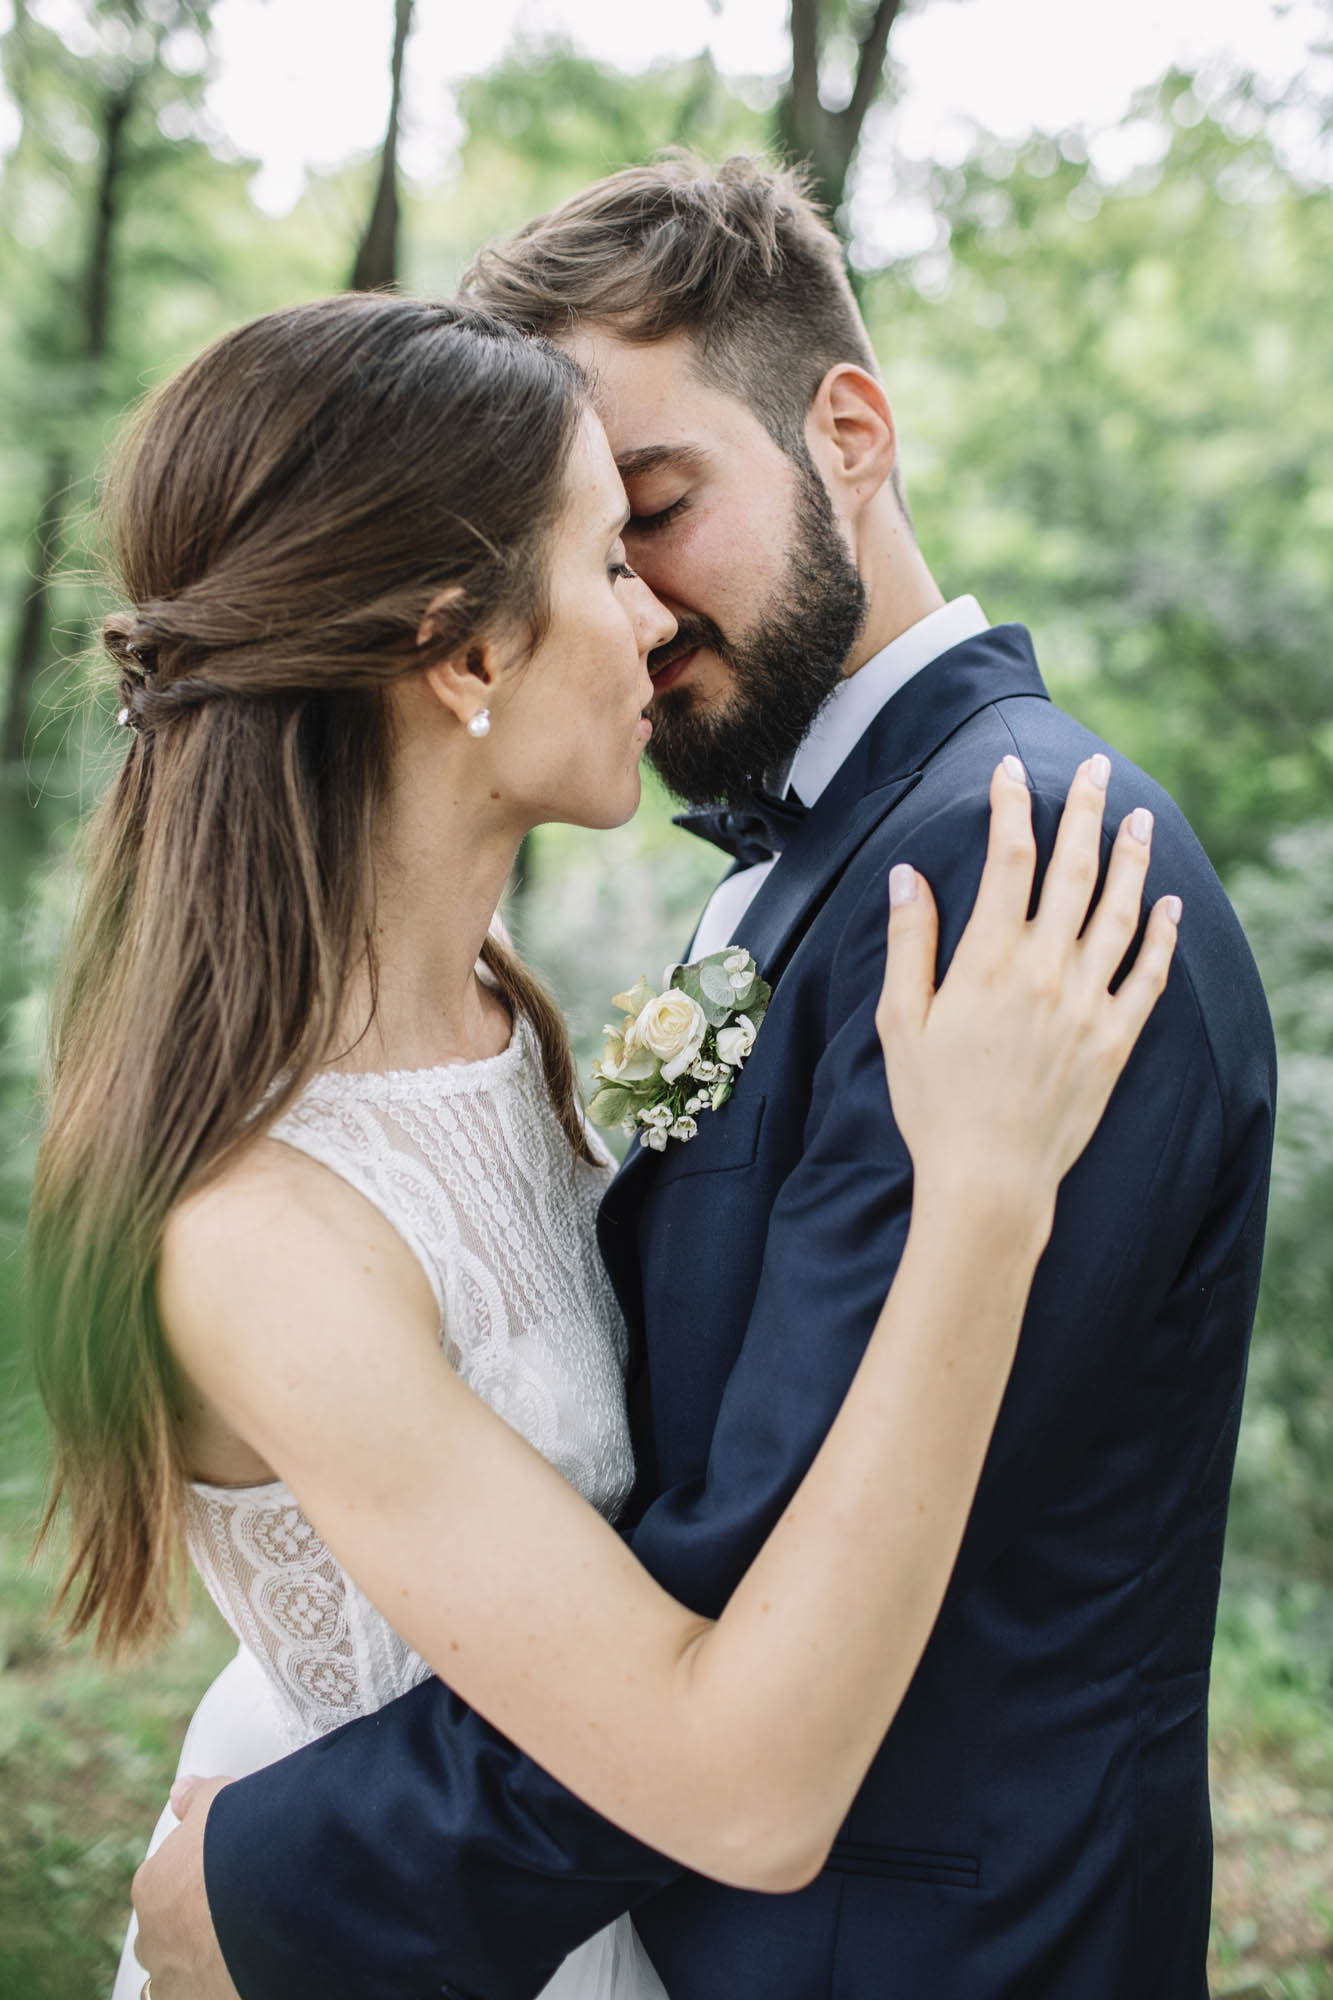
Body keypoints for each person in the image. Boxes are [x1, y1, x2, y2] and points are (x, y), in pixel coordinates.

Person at [125, 163, 1271, 2000]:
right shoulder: (793, 876)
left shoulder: (1003, 863)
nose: (639, 609)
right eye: (587, 545)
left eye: (650, 510)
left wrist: (287, 1877)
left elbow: (748, 1619)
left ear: (849, 430)